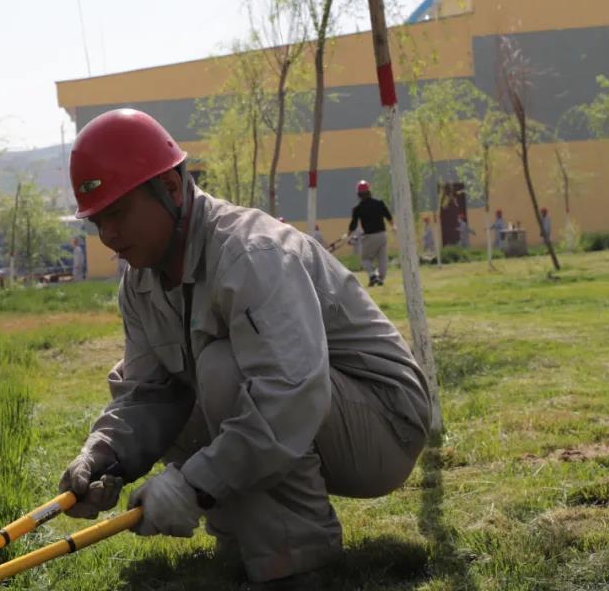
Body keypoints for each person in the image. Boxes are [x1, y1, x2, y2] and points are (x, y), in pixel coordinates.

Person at [59, 109, 430, 590]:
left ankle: (297, 562)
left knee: (220, 367)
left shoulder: (251, 253)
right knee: (151, 374)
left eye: (118, 213)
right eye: (97, 221)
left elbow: (289, 394)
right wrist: (102, 456)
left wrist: (193, 486)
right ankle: (246, 540)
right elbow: (148, 393)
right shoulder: (139, 283)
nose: (107, 235)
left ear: (171, 188)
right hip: (315, 415)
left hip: (384, 425)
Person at [348, 180, 394, 287]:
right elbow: (388, 216)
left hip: (369, 236)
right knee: (382, 258)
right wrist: (393, 226)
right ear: (369, 191)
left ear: (359, 194)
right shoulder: (379, 203)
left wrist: (348, 234)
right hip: (382, 235)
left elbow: (353, 224)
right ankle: (380, 277)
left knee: (365, 258)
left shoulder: (358, 209)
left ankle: (372, 275)